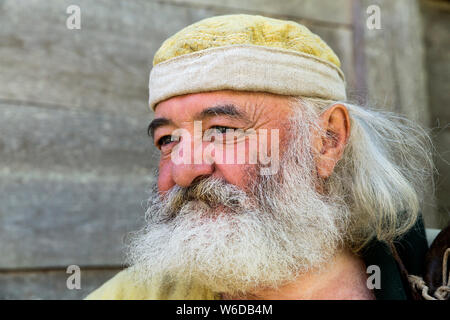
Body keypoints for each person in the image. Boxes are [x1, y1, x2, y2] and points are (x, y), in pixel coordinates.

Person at [85, 14, 435, 300]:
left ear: (328, 140)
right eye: (167, 140)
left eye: (223, 131)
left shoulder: (432, 266)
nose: (184, 170)